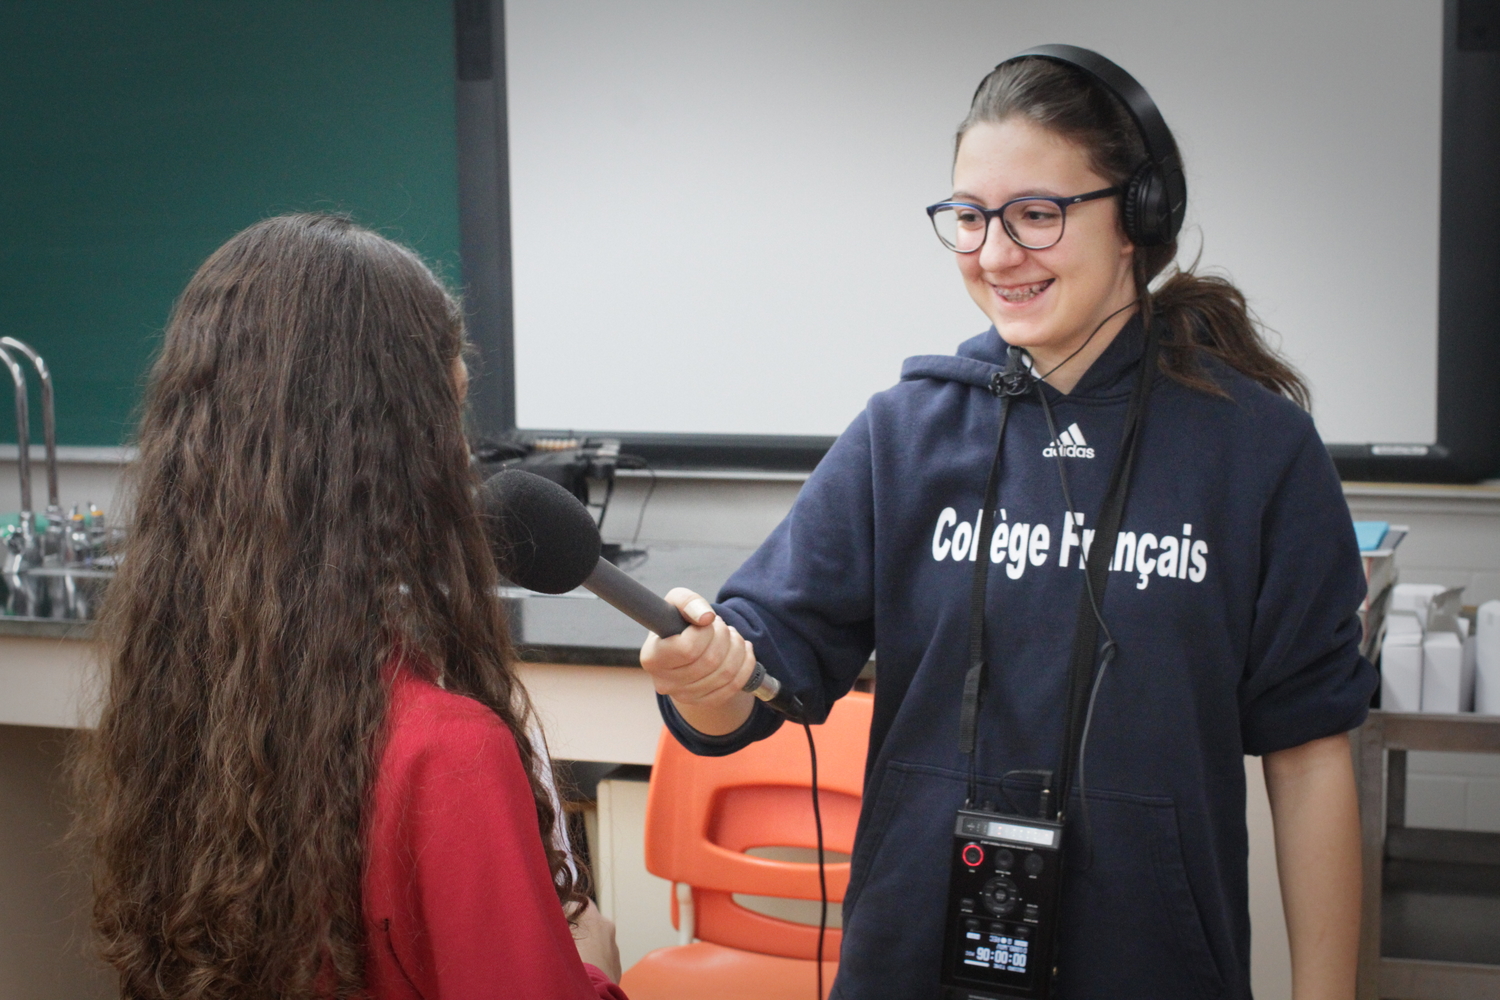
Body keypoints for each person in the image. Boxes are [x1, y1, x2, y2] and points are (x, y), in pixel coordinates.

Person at [640, 50, 1375, 1000]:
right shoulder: (904, 433)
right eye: (970, 218)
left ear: (1137, 221)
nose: (994, 255)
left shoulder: (1257, 450)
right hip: (915, 959)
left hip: (1150, 965)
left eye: (1036, 214)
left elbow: (1312, 752)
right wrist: (700, 678)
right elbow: (754, 684)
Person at [73, 214, 627, 1000]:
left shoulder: (184, 701)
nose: (464, 466)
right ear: (395, 458)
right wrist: (595, 971)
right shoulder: (445, 754)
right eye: (450, 431)